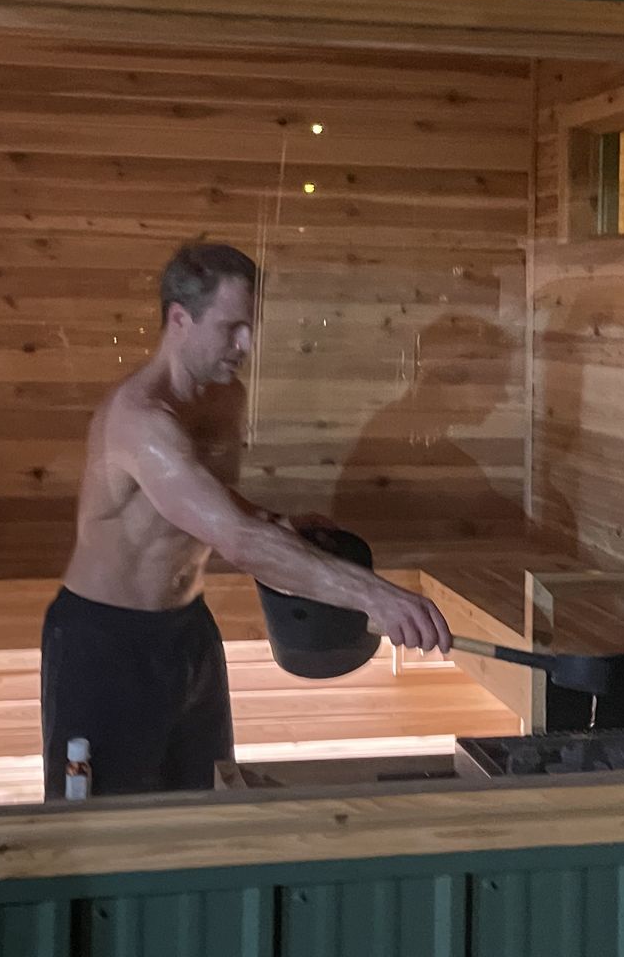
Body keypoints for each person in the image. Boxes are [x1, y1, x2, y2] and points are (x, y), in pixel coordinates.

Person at [41, 241, 453, 799]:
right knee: (106, 829)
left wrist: (273, 520)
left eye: (252, 327)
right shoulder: (140, 421)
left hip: (188, 631)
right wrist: (376, 598)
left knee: (209, 800)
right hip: (107, 642)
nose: (247, 345)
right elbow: (236, 541)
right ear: (179, 319)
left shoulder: (223, 398)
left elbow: (206, 505)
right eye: (233, 327)